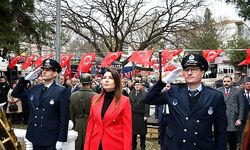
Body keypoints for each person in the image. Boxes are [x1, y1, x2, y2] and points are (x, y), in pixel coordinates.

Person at [144, 54, 227, 150]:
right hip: (175, 146)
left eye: (194, 69)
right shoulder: (174, 91)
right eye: (187, 70)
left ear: (202, 72)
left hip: (201, 146)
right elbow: (148, 99)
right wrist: (163, 82)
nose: (189, 73)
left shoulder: (215, 96)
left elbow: (220, 130)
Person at [11, 58, 70, 150]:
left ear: (55, 74)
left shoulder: (61, 91)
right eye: (43, 70)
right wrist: (25, 79)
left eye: (48, 70)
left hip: (50, 138)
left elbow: (64, 117)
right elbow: (15, 93)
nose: (44, 72)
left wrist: (61, 139)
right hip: (35, 136)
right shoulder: (35, 89)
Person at [84, 67, 132, 150]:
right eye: (104, 78)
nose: (106, 80)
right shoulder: (95, 99)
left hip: (114, 144)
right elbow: (90, 125)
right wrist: (86, 146)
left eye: (110, 78)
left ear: (116, 81)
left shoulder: (124, 101)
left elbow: (127, 130)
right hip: (95, 143)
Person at [70, 73, 96, 150]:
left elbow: (71, 114)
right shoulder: (96, 96)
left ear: (80, 82)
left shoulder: (73, 95)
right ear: (90, 82)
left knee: (77, 146)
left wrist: (74, 126)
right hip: (91, 125)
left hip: (78, 124)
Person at [217, 75, 244, 150]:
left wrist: (239, 119)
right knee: (222, 140)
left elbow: (241, 106)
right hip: (221, 118)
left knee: (233, 140)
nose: (226, 83)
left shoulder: (238, 91)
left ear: (232, 82)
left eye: (228, 81)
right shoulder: (218, 90)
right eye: (224, 81)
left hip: (233, 118)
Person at [129, 81, 150, 150]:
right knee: (133, 132)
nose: (137, 86)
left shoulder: (145, 93)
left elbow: (147, 104)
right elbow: (128, 104)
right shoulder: (130, 93)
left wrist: (146, 115)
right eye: (136, 85)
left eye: (138, 85)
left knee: (142, 133)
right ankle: (133, 145)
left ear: (141, 86)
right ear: (134, 86)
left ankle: (143, 146)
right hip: (133, 115)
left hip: (141, 116)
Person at [155, 83, 171, 149]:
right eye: (165, 86)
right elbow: (157, 107)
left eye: (168, 86)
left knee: (170, 134)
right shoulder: (161, 95)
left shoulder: (174, 96)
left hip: (170, 117)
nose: (166, 88)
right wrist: (156, 117)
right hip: (162, 116)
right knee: (162, 133)